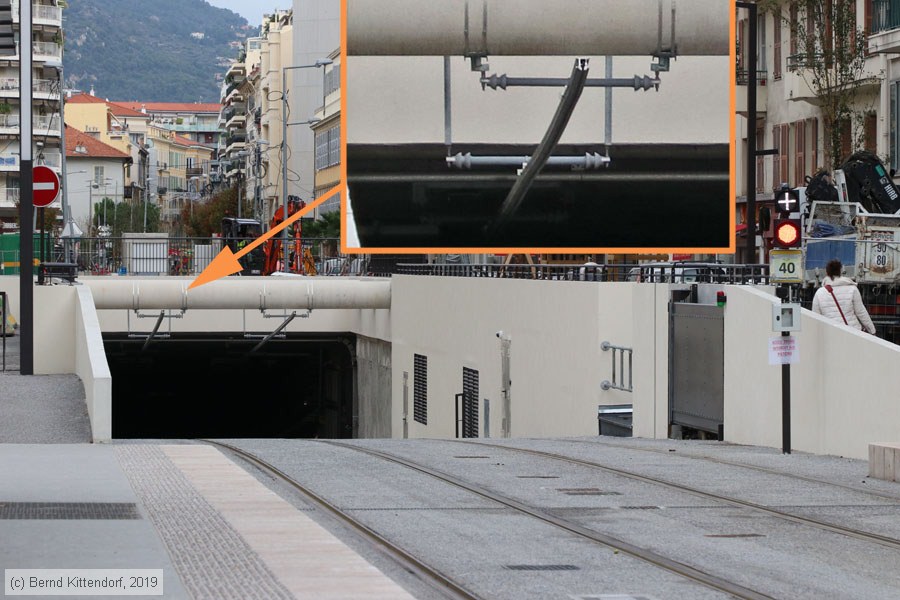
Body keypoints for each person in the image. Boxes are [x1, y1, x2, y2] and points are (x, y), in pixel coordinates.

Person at [811, 259, 876, 334]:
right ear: (840, 271)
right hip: (852, 332)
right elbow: (861, 312)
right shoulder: (852, 289)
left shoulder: (819, 293)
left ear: (827, 272)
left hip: (831, 334)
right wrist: (872, 331)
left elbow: (815, 317)